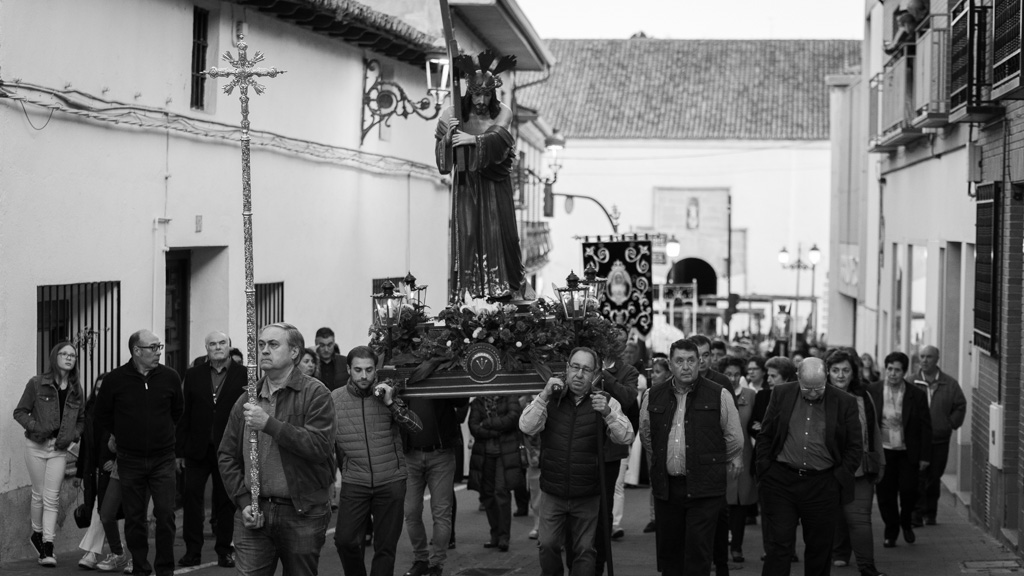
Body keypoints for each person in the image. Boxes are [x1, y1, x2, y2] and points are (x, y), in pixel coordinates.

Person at [218, 323, 336, 576]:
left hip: (302, 512)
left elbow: (320, 447)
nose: (264, 350)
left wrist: (269, 425)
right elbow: (226, 454)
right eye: (261, 344)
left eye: (273, 345)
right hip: (254, 511)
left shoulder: (315, 393)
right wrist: (243, 501)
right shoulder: (247, 399)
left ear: (294, 352)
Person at [519, 347, 634, 576]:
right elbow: (527, 426)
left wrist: (608, 414)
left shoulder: (604, 401)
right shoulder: (551, 398)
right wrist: (544, 395)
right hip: (553, 489)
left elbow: (626, 437)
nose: (579, 374)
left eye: (586, 369)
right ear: (567, 368)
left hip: (587, 492)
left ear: (595, 375)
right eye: (575, 367)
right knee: (547, 544)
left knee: (584, 550)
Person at [640, 339, 743, 576]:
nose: (686, 366)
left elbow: (735, 439)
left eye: (691, 361)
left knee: (698, 554)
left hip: (705, 489)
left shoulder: (719, 394)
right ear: (670, 365)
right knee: (670, 555)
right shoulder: (652, 395)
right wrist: (668, 457)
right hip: (668, 489)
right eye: (679, 361)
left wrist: (710, 462)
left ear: (699, 363)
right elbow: (648, 436)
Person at [755, 358, 863, 576]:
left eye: (819, 387)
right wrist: (766, 468)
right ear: (798, 377)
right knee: (779, 544)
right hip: (781, 481)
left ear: (826, 377)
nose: (813, 393)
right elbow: (766, 434)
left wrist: (837, 479)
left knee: (819, 548)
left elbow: (854, 447)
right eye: (807, 388)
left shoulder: (845, 402)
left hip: (822, 484)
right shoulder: (781, 393)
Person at [435, 50, 524, 301]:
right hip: (467, 184)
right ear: (468, 91)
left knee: (504, 236)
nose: (481, 100)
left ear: (493, 93)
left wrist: (473, 140)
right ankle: (469, 293)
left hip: (495, 183)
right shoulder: (450, 113)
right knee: (468, 235)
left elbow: (500, 141)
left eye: (486, 94)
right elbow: (442, 162)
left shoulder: (503, 112)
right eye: (476, 94)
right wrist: (449, 138)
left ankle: (503, 289)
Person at [95, 330, 183, 576]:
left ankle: (165, 569)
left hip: (163, 459)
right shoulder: (115, 379)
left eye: (159, 347)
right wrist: (123, 434)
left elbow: (178, 411)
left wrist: (162, 434)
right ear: (136, 350)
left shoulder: (170, 377)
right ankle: (140, 568)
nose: (158, 352)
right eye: (152, 347)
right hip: (129, 459)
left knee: (165, 514)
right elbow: (102, 414)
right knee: (134, 518)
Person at [332, 346, 422, 576]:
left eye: (369, 370)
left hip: (391, 481)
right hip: (355, 481)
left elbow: (416, 427)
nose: (364, 376)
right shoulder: (334, 399)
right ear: (348, 370)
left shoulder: (388, 394)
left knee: (385, 548)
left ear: (376, 370)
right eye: (358, 370)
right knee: (344, 541)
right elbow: (324, 441)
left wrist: (391, 403)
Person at [176, 331, 247, 568]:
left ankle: (225, 550)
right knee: (191, 499)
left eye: (222, 343)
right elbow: (184, 413)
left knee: (226, 501)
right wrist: (179, 451)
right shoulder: (194, 374)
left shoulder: (245, 375)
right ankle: (192, 551)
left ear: (229, 346)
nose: (217, 347)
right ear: (206, 348)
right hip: (197, 449)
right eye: (212, 344)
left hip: (229, 449)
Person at [14, 341, 87, 567]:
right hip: (36, 446)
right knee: (38, 494)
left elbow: (82, 420)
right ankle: (37, 534)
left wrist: (73, 435)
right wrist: (36, 427)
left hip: (59, 449)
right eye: (64, 354)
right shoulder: (37, 383)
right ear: (55, 357)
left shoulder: (76, 390)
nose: (69, 357)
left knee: (52, 497)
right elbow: (20, 412)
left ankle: (48, 546)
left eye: (72, 355)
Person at [826, 349, 887, 576]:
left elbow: (874, 431)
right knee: (826, 521)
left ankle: (867, 569)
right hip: (826, 471)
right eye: (835, 370)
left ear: (853, 373)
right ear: (827, 372)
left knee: (860, 520)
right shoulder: (819, 396)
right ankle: (830, 559)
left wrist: (880, 462)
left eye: (846, 370)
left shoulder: (863, 397)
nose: (840, 375)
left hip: (859, 470)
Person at [401, 394, 468, 576]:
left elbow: (462, 400)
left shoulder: (440, 378)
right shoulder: (404, 379)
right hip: (410, 455)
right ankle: (421, 559)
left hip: (441, 454)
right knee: (411, 511)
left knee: (441, 513)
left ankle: (437, 563)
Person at [871, 352, 931, 548]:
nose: (892, 374)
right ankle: (891, 531)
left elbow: (925, 427)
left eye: (897, 370)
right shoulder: (873, 391)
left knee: (908, 491)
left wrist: (924, 456)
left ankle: (906, 522)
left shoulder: (916, 395)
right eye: (889, 369)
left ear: (904, 372)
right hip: (883, 452)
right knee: (885, 495)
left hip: (907, 452)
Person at [909, 345, 966, 526]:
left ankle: (930, 513)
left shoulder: (950, 384)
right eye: (922, 357)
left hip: (939, 440)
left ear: (937, 359)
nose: (924, 360)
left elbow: (960, 405)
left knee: (934, 478)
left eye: (929, 357)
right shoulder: (910, 382)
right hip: (917, 440)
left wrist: (949, 424)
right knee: (917, 477)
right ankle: (916, 514)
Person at [468, 395, 525, 553]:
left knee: (501, 491)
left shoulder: (509, 397)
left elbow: (513, 419)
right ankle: (495, 534)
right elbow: (473, 426)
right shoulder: (478, 401)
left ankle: (504, 537)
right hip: (484, 453)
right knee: (487, 493)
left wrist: (487, 423)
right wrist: (496, 431)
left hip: (504, 453)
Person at [719, 357, 757, 565]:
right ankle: (719, 549)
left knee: (740, 504)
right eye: (728, 374)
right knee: (720, 504)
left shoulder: (751, 395)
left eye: (736, 374)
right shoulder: (715, 393)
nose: (732, 378)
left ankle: (736, 547)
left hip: (744, 455)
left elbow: (756, 424)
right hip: (719, 456)